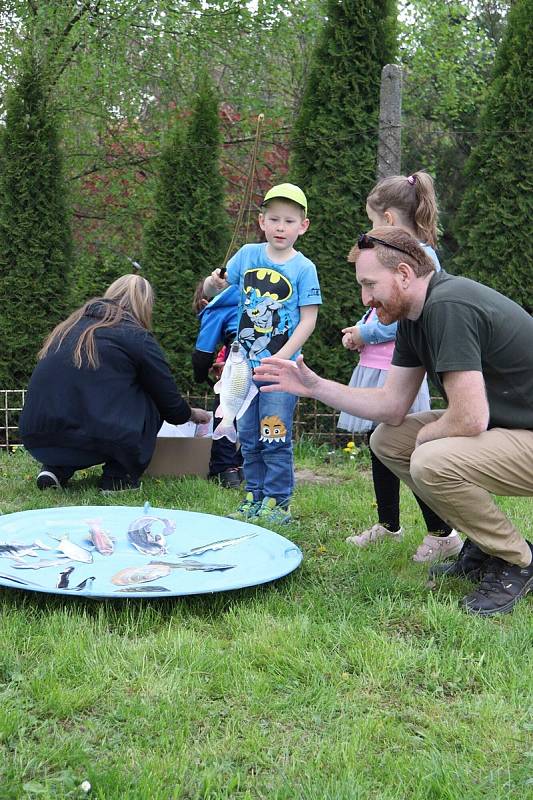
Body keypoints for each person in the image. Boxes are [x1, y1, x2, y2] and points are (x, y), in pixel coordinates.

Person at [254, 227, 533, 615]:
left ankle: (517, 559)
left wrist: (429, 441)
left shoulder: (449, 307)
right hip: (511, 429)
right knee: (389, 440)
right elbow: (392, 404)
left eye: (370, 285)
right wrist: (315, 386)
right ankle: (485, 544)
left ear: (404, 274)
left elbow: (470, 418)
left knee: (430, 459)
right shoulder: (415, 317)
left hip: (522, 434)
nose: (365, 299)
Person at [338, 172, 461, 563]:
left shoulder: (419, 257)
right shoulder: (403, 254)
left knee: (408, 449)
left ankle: (444, 532)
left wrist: (362, 332)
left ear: (389, 219)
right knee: (380, 446)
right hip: (383, 364)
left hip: (402, 370)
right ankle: (389, 525)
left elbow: (401, 315)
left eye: (374, 222)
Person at [20, 274, 210, 491]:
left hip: (37, 439)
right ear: (145, 306)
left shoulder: (66, 329)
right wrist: (192, 414)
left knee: (74, 398)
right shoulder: (137, 338)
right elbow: (169, 405)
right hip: (90, 442)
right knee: (149, 398)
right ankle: (119, 477)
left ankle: (54, 469)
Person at [203, 183, 322, 524]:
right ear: (262, 222)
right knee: (249, 437)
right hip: (241, 369)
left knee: (275, 435)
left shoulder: (304, 269)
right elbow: (221, 287)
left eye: (288, 221)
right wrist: (213, 283)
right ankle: (253, 495)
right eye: (274, 219)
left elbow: (308, 321)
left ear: (303, 226)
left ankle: (278, 502)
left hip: (278, 374)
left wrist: (280, 359)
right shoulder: (247, 255)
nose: (280, 227)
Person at [191, 279, 243, 488]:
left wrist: (200, 377)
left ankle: (224, 469)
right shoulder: (249, 299)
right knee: (254, 417)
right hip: (272, 357)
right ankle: (246, 465)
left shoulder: (216, 308)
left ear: (206, 302)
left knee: (226, 412)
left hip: (241, 365)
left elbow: (202, 354)